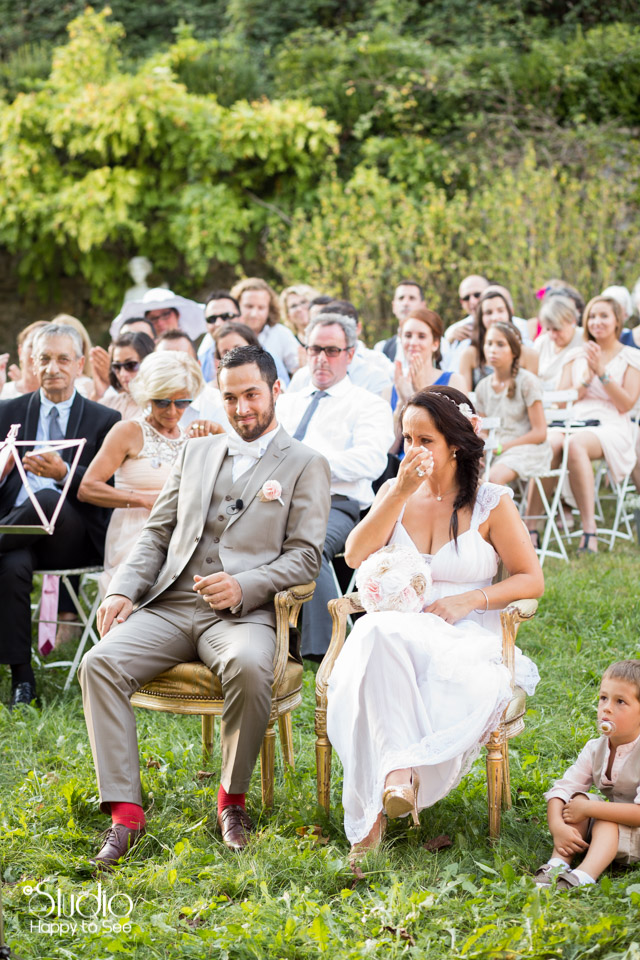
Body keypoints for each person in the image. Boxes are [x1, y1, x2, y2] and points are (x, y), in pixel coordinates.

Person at [78, 346, 331, 866]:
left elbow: (306, 557)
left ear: (276, 390)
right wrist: (123, 589)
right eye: (231, 397)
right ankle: (125, 813)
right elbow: (157, 532)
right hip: (169, 605)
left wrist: (246, 585)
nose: (241, 409)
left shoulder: (307, 464)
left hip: (243, 614)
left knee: (249, 664)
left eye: (252, 395)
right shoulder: (196, 453)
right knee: (99, 663)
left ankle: (231, 801)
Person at [326, 386, 543, 857]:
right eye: (406, 439)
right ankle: (394, 781)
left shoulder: (489, 503)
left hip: (463, 637)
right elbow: (355, 554)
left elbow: (531, 580)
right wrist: (400, 492)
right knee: (378, 633)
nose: (413, 451)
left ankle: (373, 817)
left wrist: (471, 599)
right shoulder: (395, 492)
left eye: (425, 441)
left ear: (455, 446)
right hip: (395, 634)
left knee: (375, 639)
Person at [0, 323, 121, 708]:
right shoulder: (8, 412)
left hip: (71, 535)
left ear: (80, 364)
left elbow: (107, 488)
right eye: (45, 359)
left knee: (51, 497)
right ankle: (22, 678)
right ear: (33, 364)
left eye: (62, 359)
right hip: (17, 535)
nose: (53, 368)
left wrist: (63, 473)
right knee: (12, 564)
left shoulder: (105, 419)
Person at [277, 313, 394, 659]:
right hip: (275, 500)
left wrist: (308, 463)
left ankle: (329, 648)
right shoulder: (286, 402)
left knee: (306, 544)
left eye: (331, 350)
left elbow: (371, 462)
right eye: (314, 349)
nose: (321, 359)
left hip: (336, 504)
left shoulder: (367, 404)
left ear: (350, 353)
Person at [78, 352, 207, 596]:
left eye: (181, 403)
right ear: (148, 396)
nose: (172, 411)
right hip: (134, 533)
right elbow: (88, 488)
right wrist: (142, 500)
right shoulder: (128, 430)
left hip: (181, 533)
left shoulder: (190, 436)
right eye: (162, 402)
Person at [529, 295, 640, 554]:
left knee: (575, 444)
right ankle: (531, 528)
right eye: (592, 316)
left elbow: (626, 403)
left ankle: (589, 530)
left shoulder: (632, 357)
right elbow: (561, 401)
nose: (597, 322)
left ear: (617, 321)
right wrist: (587, 379)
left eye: (604, 316)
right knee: (549, 443)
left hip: (611, 422)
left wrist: (602, 371)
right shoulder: (575, 355)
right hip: (573, 417)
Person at [535, 660, 640, 890]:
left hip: (636, 835)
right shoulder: (596, 748)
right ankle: (557, 863)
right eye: (603, 698)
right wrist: (557, 827)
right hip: (608, 833)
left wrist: (590, 810)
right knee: (579, 798)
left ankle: (584, 876)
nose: (607, 708)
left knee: (599, 812)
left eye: (620, 701)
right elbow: (563, 788)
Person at [475, 323, 551, 485]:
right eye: (489, 343)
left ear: (514, 351)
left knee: (492, 479)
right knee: (462, 475)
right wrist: (482, 448)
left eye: (500, 344)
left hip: (526, 449)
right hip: (495, 450)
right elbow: (484, 431)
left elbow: (540, 432)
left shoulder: (527, 381)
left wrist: (503, 446)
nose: (492, 350)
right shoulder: (482, 387)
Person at [459, 288, 538, 392]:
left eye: (500, 311)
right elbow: (465, 399)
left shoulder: (529, 354)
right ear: (481, 317)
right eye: (488, 312)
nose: (495, 317)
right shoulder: (469, 354)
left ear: (509, 313)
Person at [231, 277, 300, 384]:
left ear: (270, 309)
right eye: (249, 306)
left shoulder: (281, 333)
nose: (254, 314)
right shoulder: (224, 334)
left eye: (261, 308)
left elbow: (299, 368)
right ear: (236, 306)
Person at [97, 331, 155, 420]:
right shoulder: (105, 405)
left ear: (147, 362)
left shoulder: (162, 406)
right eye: (117, 367)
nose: (122, 374)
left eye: (130, 365)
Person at [534, 295, 584, 389]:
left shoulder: (584, 339)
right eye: (548, 329)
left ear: (572, 321)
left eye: (557, 329)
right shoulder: (541, 342)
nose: (552, 335)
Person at [374, 281, 425, 363]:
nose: (405, 303)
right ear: (393, 306)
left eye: (412, 298)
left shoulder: (441, 345)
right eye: (401, 298)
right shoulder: (382, 348)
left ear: (423, 305)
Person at [197, 290, 242, 382]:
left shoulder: (265, 356)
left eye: (226, 316)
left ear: (241, 318)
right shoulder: (200, 362)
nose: (218, 323)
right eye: (211, 319)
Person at [0, 321, 48, 399]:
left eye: (44, 347)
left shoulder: (67, 396)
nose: (37, 353)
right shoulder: (3, 392)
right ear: (20, 351)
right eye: (31, 346)